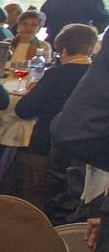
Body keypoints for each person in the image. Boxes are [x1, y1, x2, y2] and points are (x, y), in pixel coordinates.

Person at [16, 24, 97, 159]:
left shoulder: (56, 75)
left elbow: (24, 110)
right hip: (86, 147)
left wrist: (33, 91)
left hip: (49, 144)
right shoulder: (98, 76)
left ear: (63, 51)